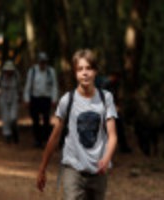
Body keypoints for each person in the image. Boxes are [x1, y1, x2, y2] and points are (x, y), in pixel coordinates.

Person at [37, 49, 118, 200]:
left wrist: (106, 159)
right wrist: (43, 168)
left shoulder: (106, 98)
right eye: (80, 69)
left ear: (95, 71)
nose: (85, 73)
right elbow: (55, 137)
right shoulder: (67, 100)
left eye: (88, 68)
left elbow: (112, 135)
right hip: (73, 169)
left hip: (98, 171)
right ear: (75, 73)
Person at [23, 52, 58, 148]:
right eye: (41, 62)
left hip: (46, 99)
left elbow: (54, 86)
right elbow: (28, 85)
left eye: (44, 62)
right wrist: (26, 99)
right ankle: (37, 140)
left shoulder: (51, 72)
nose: (42, 64)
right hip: (35, 98)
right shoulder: (33, 71)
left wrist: (54, 99)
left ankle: (46, 139)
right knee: (35, 120)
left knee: (46, 119)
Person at [0, 60, 20, 144]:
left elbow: (20, 87)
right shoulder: (1, 76)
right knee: (5, 118)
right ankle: (7, 135)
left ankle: (15, 132)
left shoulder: (16, 76)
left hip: (14, 97)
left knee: (13, 117)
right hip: (3, 98)